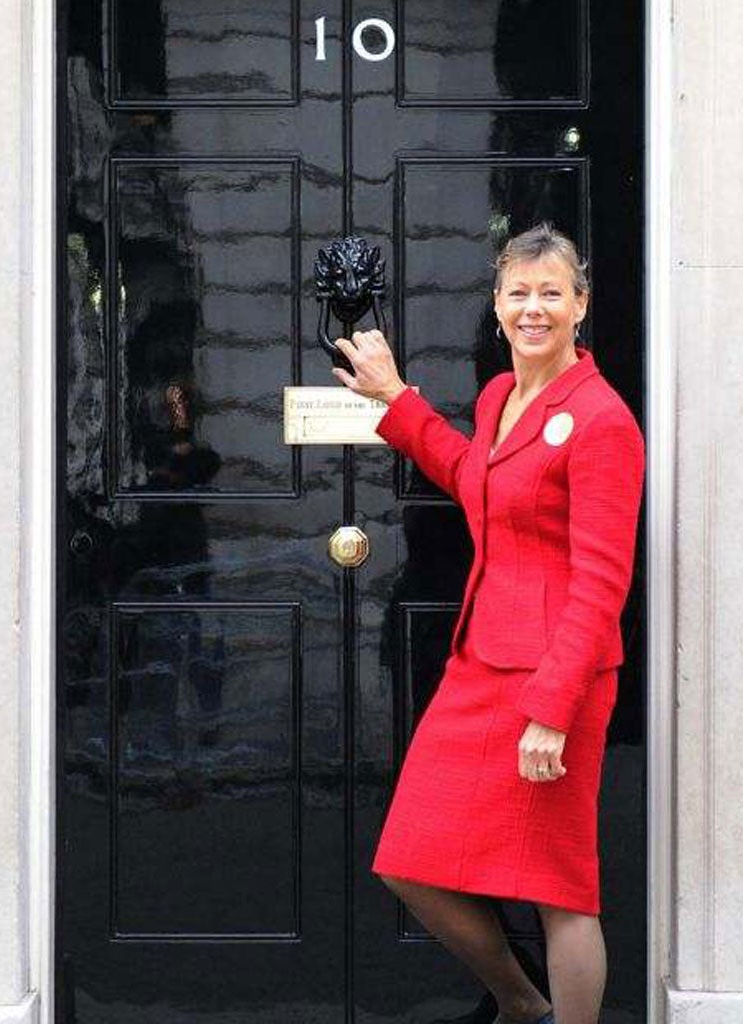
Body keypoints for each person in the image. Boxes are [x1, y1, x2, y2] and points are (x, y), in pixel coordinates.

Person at [330, 223, 646, 1024]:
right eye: (518, 292)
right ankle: (520, 1001)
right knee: (408, 857)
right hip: (480, 665)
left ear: (581, 305)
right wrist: (396, 399)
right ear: (498, 305)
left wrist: (552, 709)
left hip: (554, 680)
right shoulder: (503, 398)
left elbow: (602, 582)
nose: (533, 309)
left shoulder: (604, 421)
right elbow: (476, 481)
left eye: (551, 292)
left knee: (559, 886)